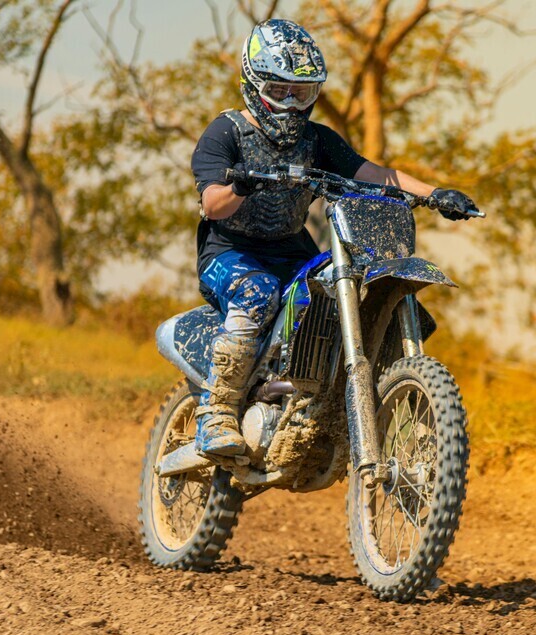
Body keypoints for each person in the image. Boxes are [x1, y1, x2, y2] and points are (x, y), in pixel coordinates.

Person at [189, 18, 479, 463]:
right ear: (253, 84)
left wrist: (435, 194)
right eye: (279, 91)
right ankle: (217, 414)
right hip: (230, 252)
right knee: (257, 293)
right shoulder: (226, 132)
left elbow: (376, 174)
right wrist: (241, 185)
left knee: (331, 290)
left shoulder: (317, 140)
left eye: (301, 93)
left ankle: (328, 400)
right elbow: (212, 205)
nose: (289, 104)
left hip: (291, 250)